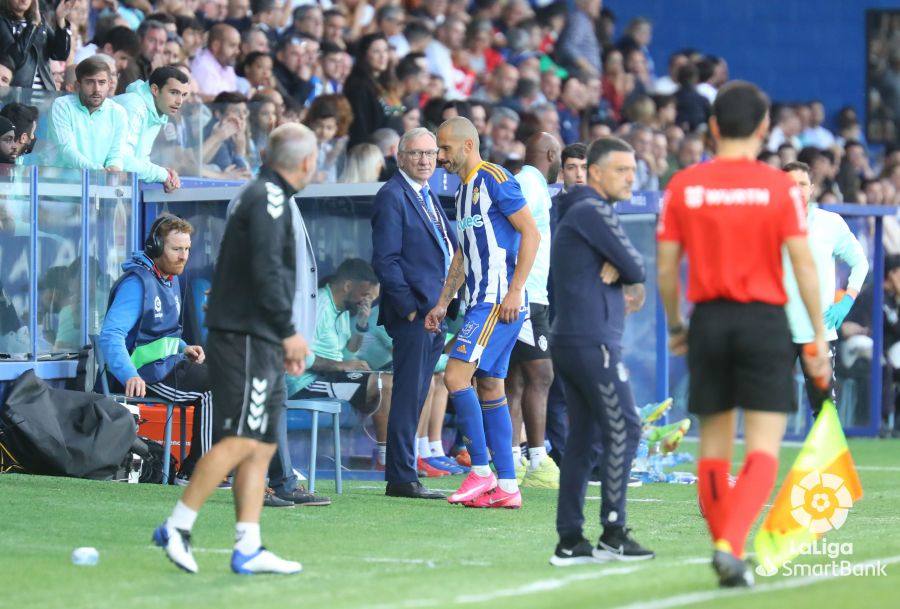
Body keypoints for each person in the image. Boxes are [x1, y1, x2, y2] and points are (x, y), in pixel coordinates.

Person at [657, 81, 831, 587]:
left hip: (709, 319)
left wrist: (675, 324)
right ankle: (731, 544)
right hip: (764, 323)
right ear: (763, 128)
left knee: (714, 445)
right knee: (763, 448)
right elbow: (803, 266)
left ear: (712, 127)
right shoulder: (780, 187)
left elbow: (667, 271)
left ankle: (723, 544)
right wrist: (817, 338)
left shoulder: (684, 185)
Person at [153, 123, 318, 575]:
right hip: (246, 337)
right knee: (242, 438)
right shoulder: (267, 198)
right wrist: (288, 332)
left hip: (258, 337)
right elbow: (266, 271)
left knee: (261, 443)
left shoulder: (262, 194)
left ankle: (248, 545)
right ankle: (176, 525)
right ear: (306, 162)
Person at [548, 136, 653, 566]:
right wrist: (622, 268)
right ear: (595, 172)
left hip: (574, 338)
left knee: (584, 439)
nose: (631, 177)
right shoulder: (592, 210)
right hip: (591, 340)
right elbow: (636, 265)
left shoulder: (584, 211)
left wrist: (621, 268)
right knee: (626, 428)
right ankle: (612, 531)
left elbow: (628, 268)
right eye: (621, 170)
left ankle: (571, 539)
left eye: (633, 170)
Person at [425, 116, 540, 509]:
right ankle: (507, 486)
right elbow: (462, 253)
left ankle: (480, 470)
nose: (440, 157)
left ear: (467, 145)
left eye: (444, 148)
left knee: (456, 376)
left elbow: (531, 232)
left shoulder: (494, 177)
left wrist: (515, 289)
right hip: (479, 300)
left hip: (497, 301)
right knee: (490, 386)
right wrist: (443, 301)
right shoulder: (461, 193)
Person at [372, 127, 458, 499]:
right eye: (417, 154)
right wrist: (409, 311)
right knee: (408, 396)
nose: (425, 160)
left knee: (419, 394)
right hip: (415, 316)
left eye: (430, 153)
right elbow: (386, 261)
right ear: (401, 157)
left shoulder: (426, 194)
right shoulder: (392, 195)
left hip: (436, 313)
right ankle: (402, 477)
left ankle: (406, 472)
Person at [100, 214, 213, 481]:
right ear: (155, 247)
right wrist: (130, 375)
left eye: (186, 249)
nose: (183, 256)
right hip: (144, 373)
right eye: (176, 249)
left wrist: (185, 347)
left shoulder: (169, 279)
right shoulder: (136, 284)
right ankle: (198, 471)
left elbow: (163, 333)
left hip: (167, 366)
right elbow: (111, 336)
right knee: (218, 387)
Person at [782, 161, 868, 417]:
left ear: (813, 189)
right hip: (777, 330)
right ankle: (767, 458)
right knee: (769, 409)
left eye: (802, 184)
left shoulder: (830, 223)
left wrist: (846, 301)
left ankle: (826, 459)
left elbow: (861, 263)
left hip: (819, 331)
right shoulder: (766, 224)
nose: (797, 191)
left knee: (825, 411)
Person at [507, 132, 560, 488]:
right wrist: (516, 287)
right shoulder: (529, 183)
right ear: (552, 154)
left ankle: (512, 457)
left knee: (516, 378)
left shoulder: (527, 182)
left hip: (523, 292)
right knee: (541, 375)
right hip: (526, 295)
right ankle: (537, 458)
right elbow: (511, 230)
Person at [285, 259, 380, 416]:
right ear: (348, 286)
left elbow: (348, 355)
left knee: (386, 383)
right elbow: (299, 357)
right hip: (304, 383)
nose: (366, 303)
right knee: (378, 386)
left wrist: (361, 324)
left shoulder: (342, 311)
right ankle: (388, 441)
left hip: (330, 376)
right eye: (365, 295)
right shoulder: (319, 306)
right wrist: (340, 365)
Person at [115, 66, 190, 191]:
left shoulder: (157, 113)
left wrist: (166, 173)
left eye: (183, 95)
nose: (179, 101)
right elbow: (122, 161)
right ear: (155, 89)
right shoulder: (134, 106)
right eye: (174, 93)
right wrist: (162, 174)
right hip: (83, 181)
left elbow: (139, 159)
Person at [45, 56, 127, 170]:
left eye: (102, 82)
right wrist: (97, 171)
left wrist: (113, 168)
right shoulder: (61, 106)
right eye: (90, 82)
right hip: (58, 182)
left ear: (109, 84)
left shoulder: (118, 112)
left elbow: (116, 154)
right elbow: (66, 150)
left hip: (98, 181)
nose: (97, 89)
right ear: (78, 85)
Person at [0, 0, 73, 90]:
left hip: (45, 92)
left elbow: (60, 54)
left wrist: (60, 19)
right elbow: (14, 58)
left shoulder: (38, 19)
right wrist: (33, 25)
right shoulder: (3, 21)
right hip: (17, 92)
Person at [345, 33, 401, 148]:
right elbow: (360, 127)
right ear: (364, 55)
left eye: (385, 51)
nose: (383, 56)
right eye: (376, 51)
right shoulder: (358, 86)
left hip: (394, 150)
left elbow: (395, 115)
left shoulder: (386, 82)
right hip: (373, 151)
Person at [190, 23, 241, 101]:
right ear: (216, 46)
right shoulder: (202, 67)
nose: (237, 51)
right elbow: (214, 104)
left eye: (238, 46)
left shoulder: (227, 67)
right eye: (232, 46)